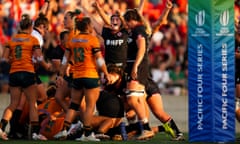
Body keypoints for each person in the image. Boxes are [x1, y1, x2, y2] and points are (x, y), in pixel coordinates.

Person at [123, 7, 184, 141]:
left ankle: (147, 129)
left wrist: (134, 66)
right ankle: (173, 132)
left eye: (126, 22)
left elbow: (160, 22)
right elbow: (159, 22)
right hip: (147, 79)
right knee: (155, 112)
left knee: (137, 104)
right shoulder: (142, 32)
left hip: (143, 77)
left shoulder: (139, 32)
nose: (125, 25)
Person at [54, 16, 112, 141]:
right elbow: (99, 59)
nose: (93, 27)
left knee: (74, 105)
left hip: (77, 76)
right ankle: (87, 134)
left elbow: (65, 60)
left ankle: (64, 130)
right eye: (91, 25)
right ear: (88, 26)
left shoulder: (72, 40)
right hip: (90, 75)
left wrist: (60, 75)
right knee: (90, 106)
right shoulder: (93, 40)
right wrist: (106, 73)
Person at [0, 14, 51, 140]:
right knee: (33, 103)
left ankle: (1, 128)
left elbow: (4, 59)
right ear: (30, 27)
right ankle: (35, 133)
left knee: (13, 104)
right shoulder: (33, 40)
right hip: (28, 72)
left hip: (14, 73)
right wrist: (47, 66)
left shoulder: (11, 40)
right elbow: (39, 58)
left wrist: (15, 62)